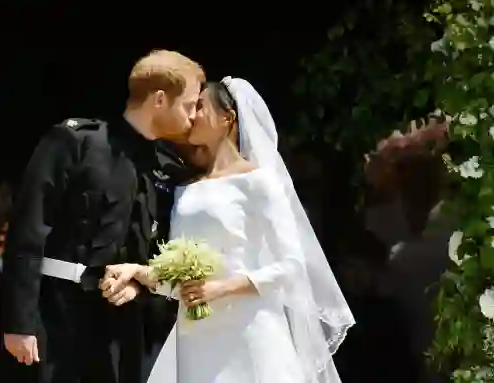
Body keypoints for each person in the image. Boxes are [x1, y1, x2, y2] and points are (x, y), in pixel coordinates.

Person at [101, 78, 355, 383]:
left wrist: (220, 288)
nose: (192, 115)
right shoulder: (185, 188)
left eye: (200, 106)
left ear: (227, 118)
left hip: (248, 332)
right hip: (195, 340)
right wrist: (139, 272)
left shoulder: (259, 182)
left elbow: (291, 267)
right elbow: (183, 282)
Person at [0, 49, 204, 383]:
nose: (194, 115)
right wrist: (18, 323)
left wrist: (139, 286)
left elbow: (157, 252)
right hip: (54, 315)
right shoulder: (74, 142)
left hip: (119, 332)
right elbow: (28, 231)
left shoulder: (165, 169)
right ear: (160, 99)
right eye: (189, 104)